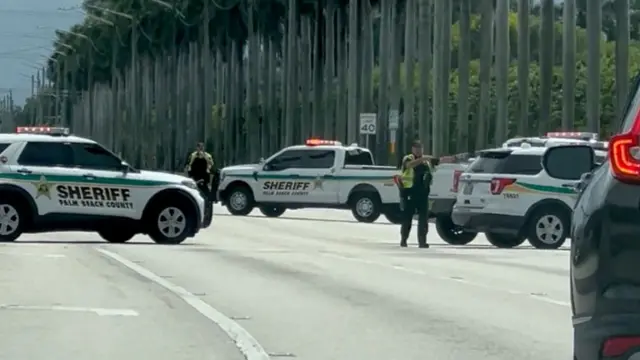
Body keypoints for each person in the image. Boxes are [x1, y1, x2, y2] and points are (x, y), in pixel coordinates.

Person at [398, 140, 433, 248]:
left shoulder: (426, 162)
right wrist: (423, 158)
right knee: (407, 218)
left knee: (424, 219)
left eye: (420, 148)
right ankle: (404, 240)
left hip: (423, 194)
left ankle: (422, 242)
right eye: (416, 148)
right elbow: (409, 166)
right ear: (412, 149)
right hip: (410, 192)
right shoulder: (408, 158)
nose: (419, 150)